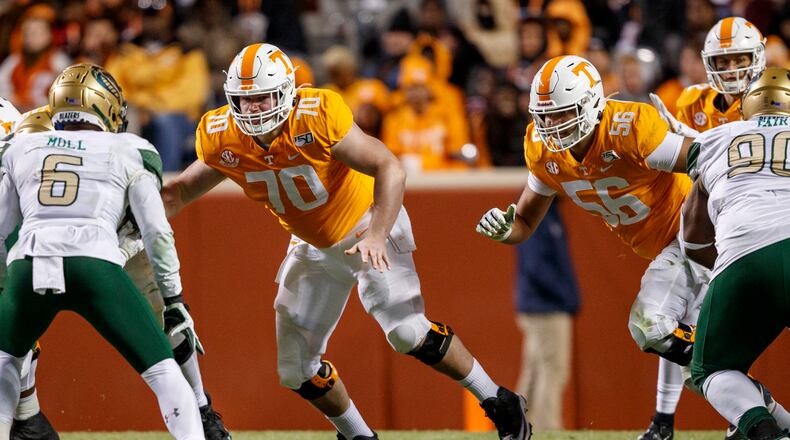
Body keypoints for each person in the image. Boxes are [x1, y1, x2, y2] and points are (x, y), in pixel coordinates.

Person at [161, 42, 531, 440]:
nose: (253, 110)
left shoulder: (316, 114)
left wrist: (376, 234)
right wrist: (132, 223)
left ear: (286, 90)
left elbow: (389, 166)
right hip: (311, 244)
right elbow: (179, 191)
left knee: (407, 331)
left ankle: (499, 401)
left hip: (367, 222)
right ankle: (358, 435)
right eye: (243, 100)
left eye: (262, 98)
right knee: (295, 370)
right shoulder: (222, 135)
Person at [476, 53, 703, 435]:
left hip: (695, 235)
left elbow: (704, 163)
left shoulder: (628, 127)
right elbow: (526, 220)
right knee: (667, 336)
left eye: (562, 114)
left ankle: (716, 367)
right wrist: (505, 231)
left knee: (657, 328)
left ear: (591, 104)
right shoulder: (544, 149)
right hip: (666, 248)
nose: (551, 126)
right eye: (544, 116)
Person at [0, 63, 204, 440]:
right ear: (106, 106)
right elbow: (156, 232)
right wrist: (173, 298)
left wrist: (4, 283)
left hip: (29, 262)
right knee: (165, 376)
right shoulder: (130, 148)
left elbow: (1, 230)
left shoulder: (23, 144)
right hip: (94, 261)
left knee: (6, 362)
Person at [645, 17, 779, 440]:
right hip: (710, 227)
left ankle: (747, 418)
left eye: (742, 58)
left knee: (715, 337)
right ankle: (665, 419)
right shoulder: (691, 101)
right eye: (725, 61)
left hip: (749, 230)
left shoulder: (777, 98)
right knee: (683, 319)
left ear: (759, 58)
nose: (735, 69)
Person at [682, 67, 790, 440]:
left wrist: (729, 267)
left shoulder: (716, 138)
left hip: (743, 255)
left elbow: (693, 235)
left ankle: (766, 432)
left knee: (711, 368)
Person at [513, 203, 580, 430]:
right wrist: (567, 296)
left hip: (538, 304)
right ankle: (548, 429)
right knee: (553, 371)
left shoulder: (544, 212)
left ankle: (516, 427)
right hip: (546, 306)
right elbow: (537, 265)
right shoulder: (536, 211)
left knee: (534, 371)